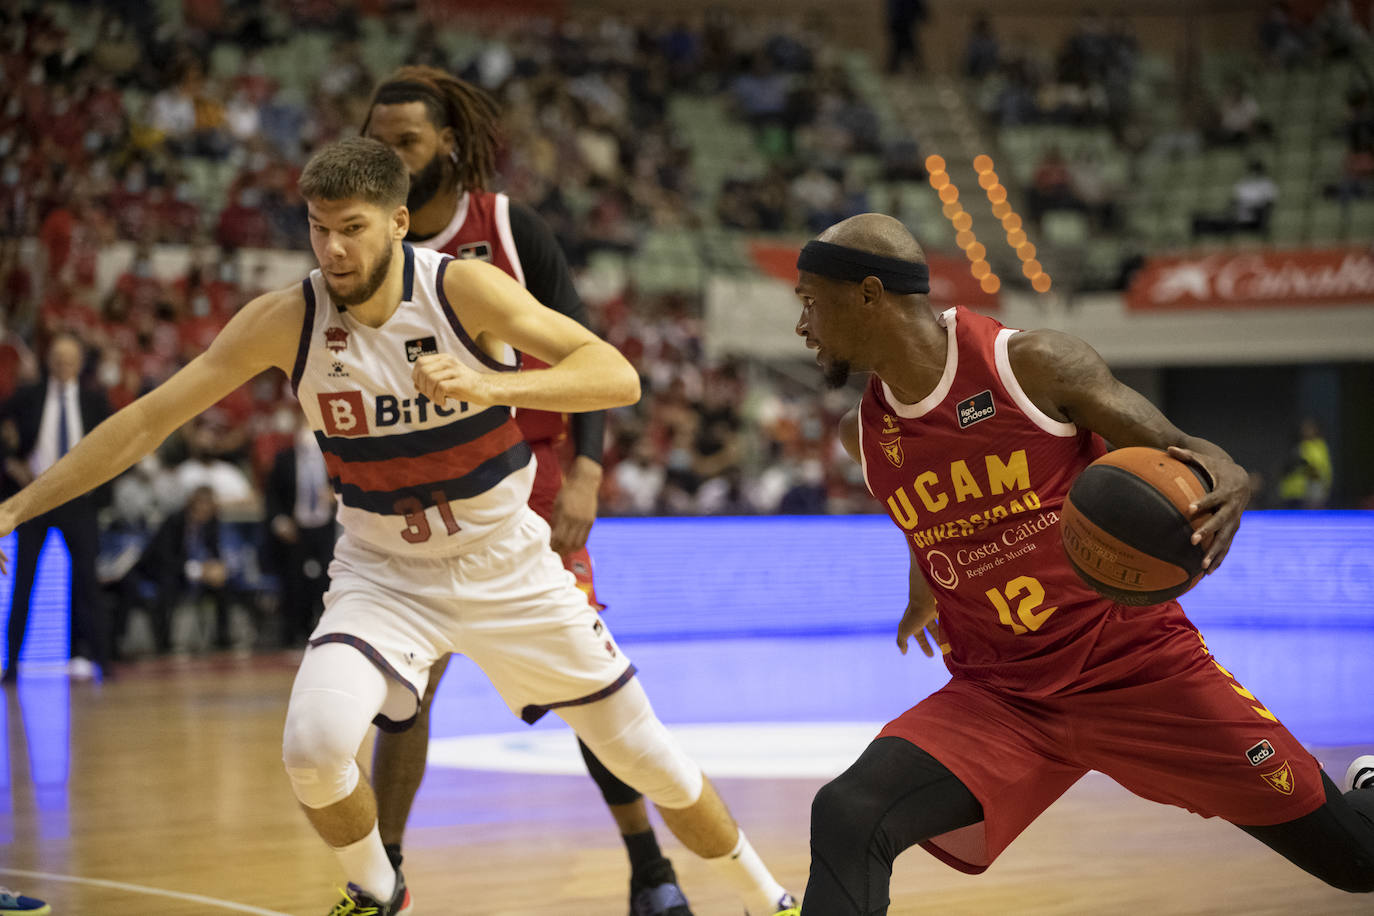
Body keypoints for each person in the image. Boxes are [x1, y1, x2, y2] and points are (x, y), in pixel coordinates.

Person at [0, 137, 799, 916]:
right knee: (313, 747)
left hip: (508, 567)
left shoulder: (463, 290)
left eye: (352, 227)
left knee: (653, 763)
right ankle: (382, 894)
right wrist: (12, 509)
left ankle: (768, 899)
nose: (333, 248)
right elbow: (146, 421)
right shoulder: (287, 319)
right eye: (319, 227)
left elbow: (616, 376)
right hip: (384, 576)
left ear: (398, 222)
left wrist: (490, 384)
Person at [791, 213, 1374, 914]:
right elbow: (926, 518)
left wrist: (1228, 472)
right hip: (1002, 696)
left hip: (1138, 672)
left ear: (869, 294)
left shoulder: (1028, 366)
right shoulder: (865, 435)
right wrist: (924, 591)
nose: (801, 325)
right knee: (849, 812)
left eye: (809, 301)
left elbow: (1182, 448)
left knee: (1356, 862)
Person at [360, 66, 705, 916]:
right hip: (425, 491)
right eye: (378, 143)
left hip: (532, 484)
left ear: (447, 145)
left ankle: (649, 870)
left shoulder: (509, 227)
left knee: (587, 686)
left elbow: (589, 354)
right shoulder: (363, 246)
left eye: (406, 141)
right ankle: (384, 876)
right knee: (406, 694)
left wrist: (586, 470)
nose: (391, 157)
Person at [0, 333, 113, 683]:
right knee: (23, 582)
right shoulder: (28, 396)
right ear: (49, 361)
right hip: (35, 498)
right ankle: (12, 665)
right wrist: (9, 462)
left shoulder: (94, 400)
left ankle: (102, 662)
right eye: (58, 359)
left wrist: (99, 480)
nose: (64, 366)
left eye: (70, 360)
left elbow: (116, 445)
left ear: (79, 363)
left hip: (78, 501)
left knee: (88, 583)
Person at [265, 414, 336, 647]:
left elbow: (350, 485)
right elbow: (272, 496)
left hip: (325, 528)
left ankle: (327, 629)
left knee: (326, 579)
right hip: (296, 530)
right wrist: (279, 521)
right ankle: (293, 632)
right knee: (295, 582)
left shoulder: (332, 458)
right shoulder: (284, 458)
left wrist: (336, 494)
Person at [1276, 418, 1333, 509]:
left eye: (1309, 428)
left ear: (1316, 430)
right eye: (1304, 429)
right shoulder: (1300, 446)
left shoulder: (1319, 446)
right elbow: (1286, 468)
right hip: (1292, 491)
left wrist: (1307, 466)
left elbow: (1319, 470)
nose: (1306, 431)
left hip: (1310, 490)